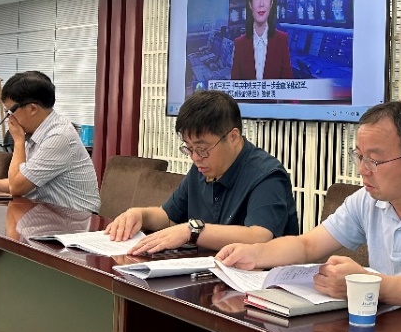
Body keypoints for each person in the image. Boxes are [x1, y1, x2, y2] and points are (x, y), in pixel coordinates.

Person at [217, 101, 401, 319]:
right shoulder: (369, 200)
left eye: (374, 160)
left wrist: (367, 286)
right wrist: (256, 253)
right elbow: (308, 245)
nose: (362, 170)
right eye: (358, 156)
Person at [104, 90, 298, 253]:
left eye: (202, 148)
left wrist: (192, 231)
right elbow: (169, 217)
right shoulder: (202, 168)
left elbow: (259, 236)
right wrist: (140, 214)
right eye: (189, 148)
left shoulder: (267, 175)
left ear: (233, 137)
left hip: (256, 281)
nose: (195, 157)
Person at [0, 71, 100, 214]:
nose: (9, 118)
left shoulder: (59, 136)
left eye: (10, 112)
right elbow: (21, 180)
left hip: (75, 219)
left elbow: (17, 187)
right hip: (46, 212)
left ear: (32, 109)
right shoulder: (37, 131)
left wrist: (18, 142)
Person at [230, 0, 293, 81]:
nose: (261, 3)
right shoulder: (239, 44)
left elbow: (288, 85)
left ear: (271, 2)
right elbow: (234, 87)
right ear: (250, 4)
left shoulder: (282, 40)